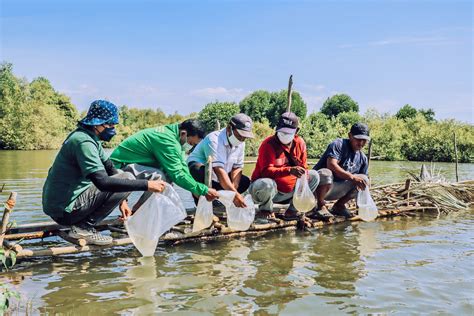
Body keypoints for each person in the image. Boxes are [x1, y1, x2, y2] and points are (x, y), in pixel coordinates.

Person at [42, 100, 166, 245]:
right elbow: (103, 182)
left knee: (121, 174)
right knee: (126, 176)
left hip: (62, 206)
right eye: (110, 125)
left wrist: (123, 201)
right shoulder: (84, 143)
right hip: (64, 210)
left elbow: (111, 169)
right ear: (97, 124)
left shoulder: (89, 138)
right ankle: (83, 228)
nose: (113, 129)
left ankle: (82, 225)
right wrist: (147, 184)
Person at [110, 119, 219, 206]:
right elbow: (178, 174)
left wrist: (196, 189)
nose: (190, 146)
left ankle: (141, 209)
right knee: (160, 177)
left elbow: (183, 168)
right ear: (184, 133)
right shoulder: (166, 140)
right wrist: (203, 190)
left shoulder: (175, 138)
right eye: (191, 143)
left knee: (167, 176)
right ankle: (139, 210)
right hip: (117, 169)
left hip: (134, 166)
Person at [248, 112, 326, 222]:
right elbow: (266, 172)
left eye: (288, 132)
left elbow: (304, 168)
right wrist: (289, 170)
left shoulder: (300, 143)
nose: (283, 134)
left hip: (289, 193)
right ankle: (265, 210)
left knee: (314, 176)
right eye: (281, 131)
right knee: (267, 184)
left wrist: (303, 175)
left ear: (296, 131)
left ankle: (293, 210)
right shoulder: (268, 144)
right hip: (265, 192)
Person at [187, 113, 253, 208]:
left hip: (221, 179)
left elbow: (237, 168)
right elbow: (218, 170)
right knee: (196, 169)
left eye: (244, 137)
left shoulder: (241, 142)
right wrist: (234, 195)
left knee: (245, 181)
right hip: (204, 175)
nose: (241, 139)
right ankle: (200, 197)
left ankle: (219, 199)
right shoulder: (214, 139)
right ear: (229, 128)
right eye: (239, 136)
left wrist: (233, 190)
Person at [312, 122, 370, 218]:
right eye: (358, 139)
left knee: (364, 179)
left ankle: (339, 206)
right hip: (320, 188)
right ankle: (320, 205)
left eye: (364, 140)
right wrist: (352, 177)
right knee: (326, 173)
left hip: (339, 190)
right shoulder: (339, 144)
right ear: (350, 136)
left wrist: (362, 206)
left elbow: (363, 184)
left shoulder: (362, 158)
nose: (361, 143)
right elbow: (331, 164)